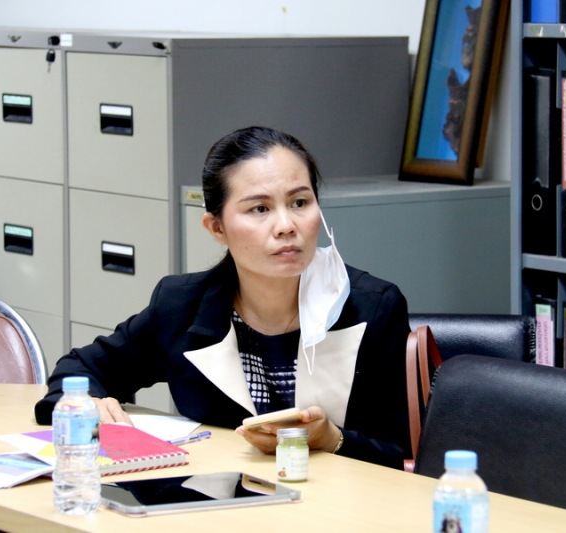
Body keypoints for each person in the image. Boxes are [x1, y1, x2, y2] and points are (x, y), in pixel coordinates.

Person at [35, 126, 411, 469]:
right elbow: (79, 369)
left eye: (299, 202)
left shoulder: (373, 307)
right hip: (215, 502)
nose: (286, 226)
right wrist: (88, 406)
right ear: (217, 227)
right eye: (260, 209)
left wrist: (332, 439)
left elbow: (407, 455)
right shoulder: (180, 305)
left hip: (337, 506)